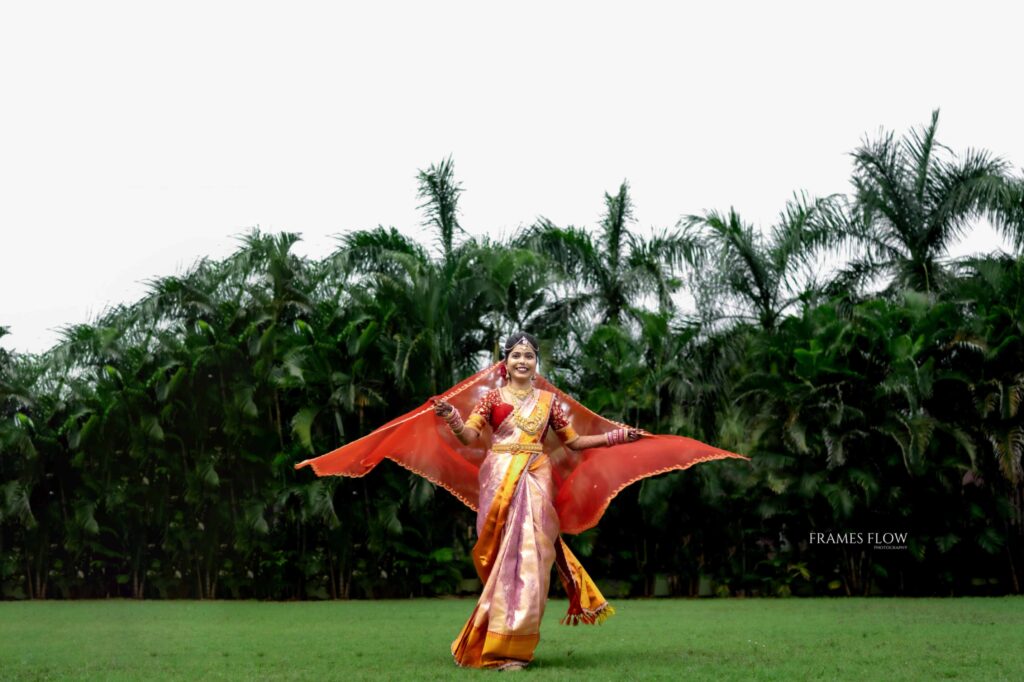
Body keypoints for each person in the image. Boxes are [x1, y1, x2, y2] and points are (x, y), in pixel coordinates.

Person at [294, 331, 749, 671]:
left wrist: (616, 437)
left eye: (530, 355)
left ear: (536, 363)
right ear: (504, 361)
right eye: (516, 355)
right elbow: (472, 437)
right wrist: (453, 418)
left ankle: (515, 647)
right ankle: (492, 639)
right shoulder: (491, 398)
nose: (523, 361)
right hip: (498, 476)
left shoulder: (550, 404)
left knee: (532, 558)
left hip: (536, 475)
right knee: (502, 560)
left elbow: (571, 444)